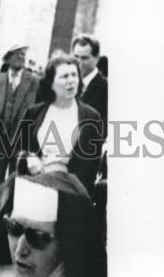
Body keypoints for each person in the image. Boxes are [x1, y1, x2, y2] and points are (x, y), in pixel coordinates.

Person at [0, 44, 40, 231]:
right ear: (8, 58)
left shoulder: (33, 81)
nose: (22, 57)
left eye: (23, 54)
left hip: (20, 140)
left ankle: (11, 226)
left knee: (17, 184)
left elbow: (42, 103)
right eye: (18, 54)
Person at [17, 52, 103, 194]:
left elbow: (91, 167)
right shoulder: (33, 114)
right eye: (64, 76)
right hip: (35, 190)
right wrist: (29, 157)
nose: (71, 81)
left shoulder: (91, 117)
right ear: (51, 83)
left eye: (74, 75)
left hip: (72, 196)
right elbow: (19, 150)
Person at [71, 34, 108, 140]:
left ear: (96, 59)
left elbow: (102, 130)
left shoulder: (105, 88)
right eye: (76, 57)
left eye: (84, 58)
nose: (78, 62)